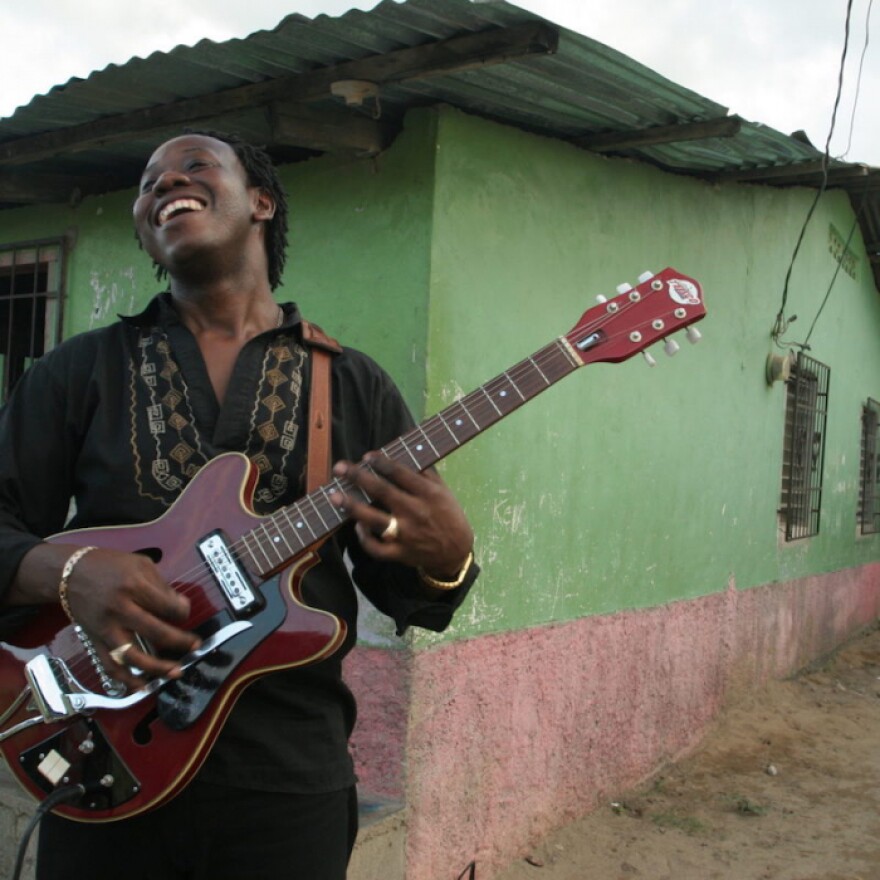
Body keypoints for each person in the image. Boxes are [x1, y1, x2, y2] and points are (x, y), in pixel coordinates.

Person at [0, 131, 478, 880]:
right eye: (149, 180)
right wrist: (68, 573)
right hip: (105, 754)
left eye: (193, 166)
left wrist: (447, 559)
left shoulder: (353, 384)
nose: (165, 183)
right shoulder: (76, 371)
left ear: (261, 201)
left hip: (287, 782)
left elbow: (407, 596)